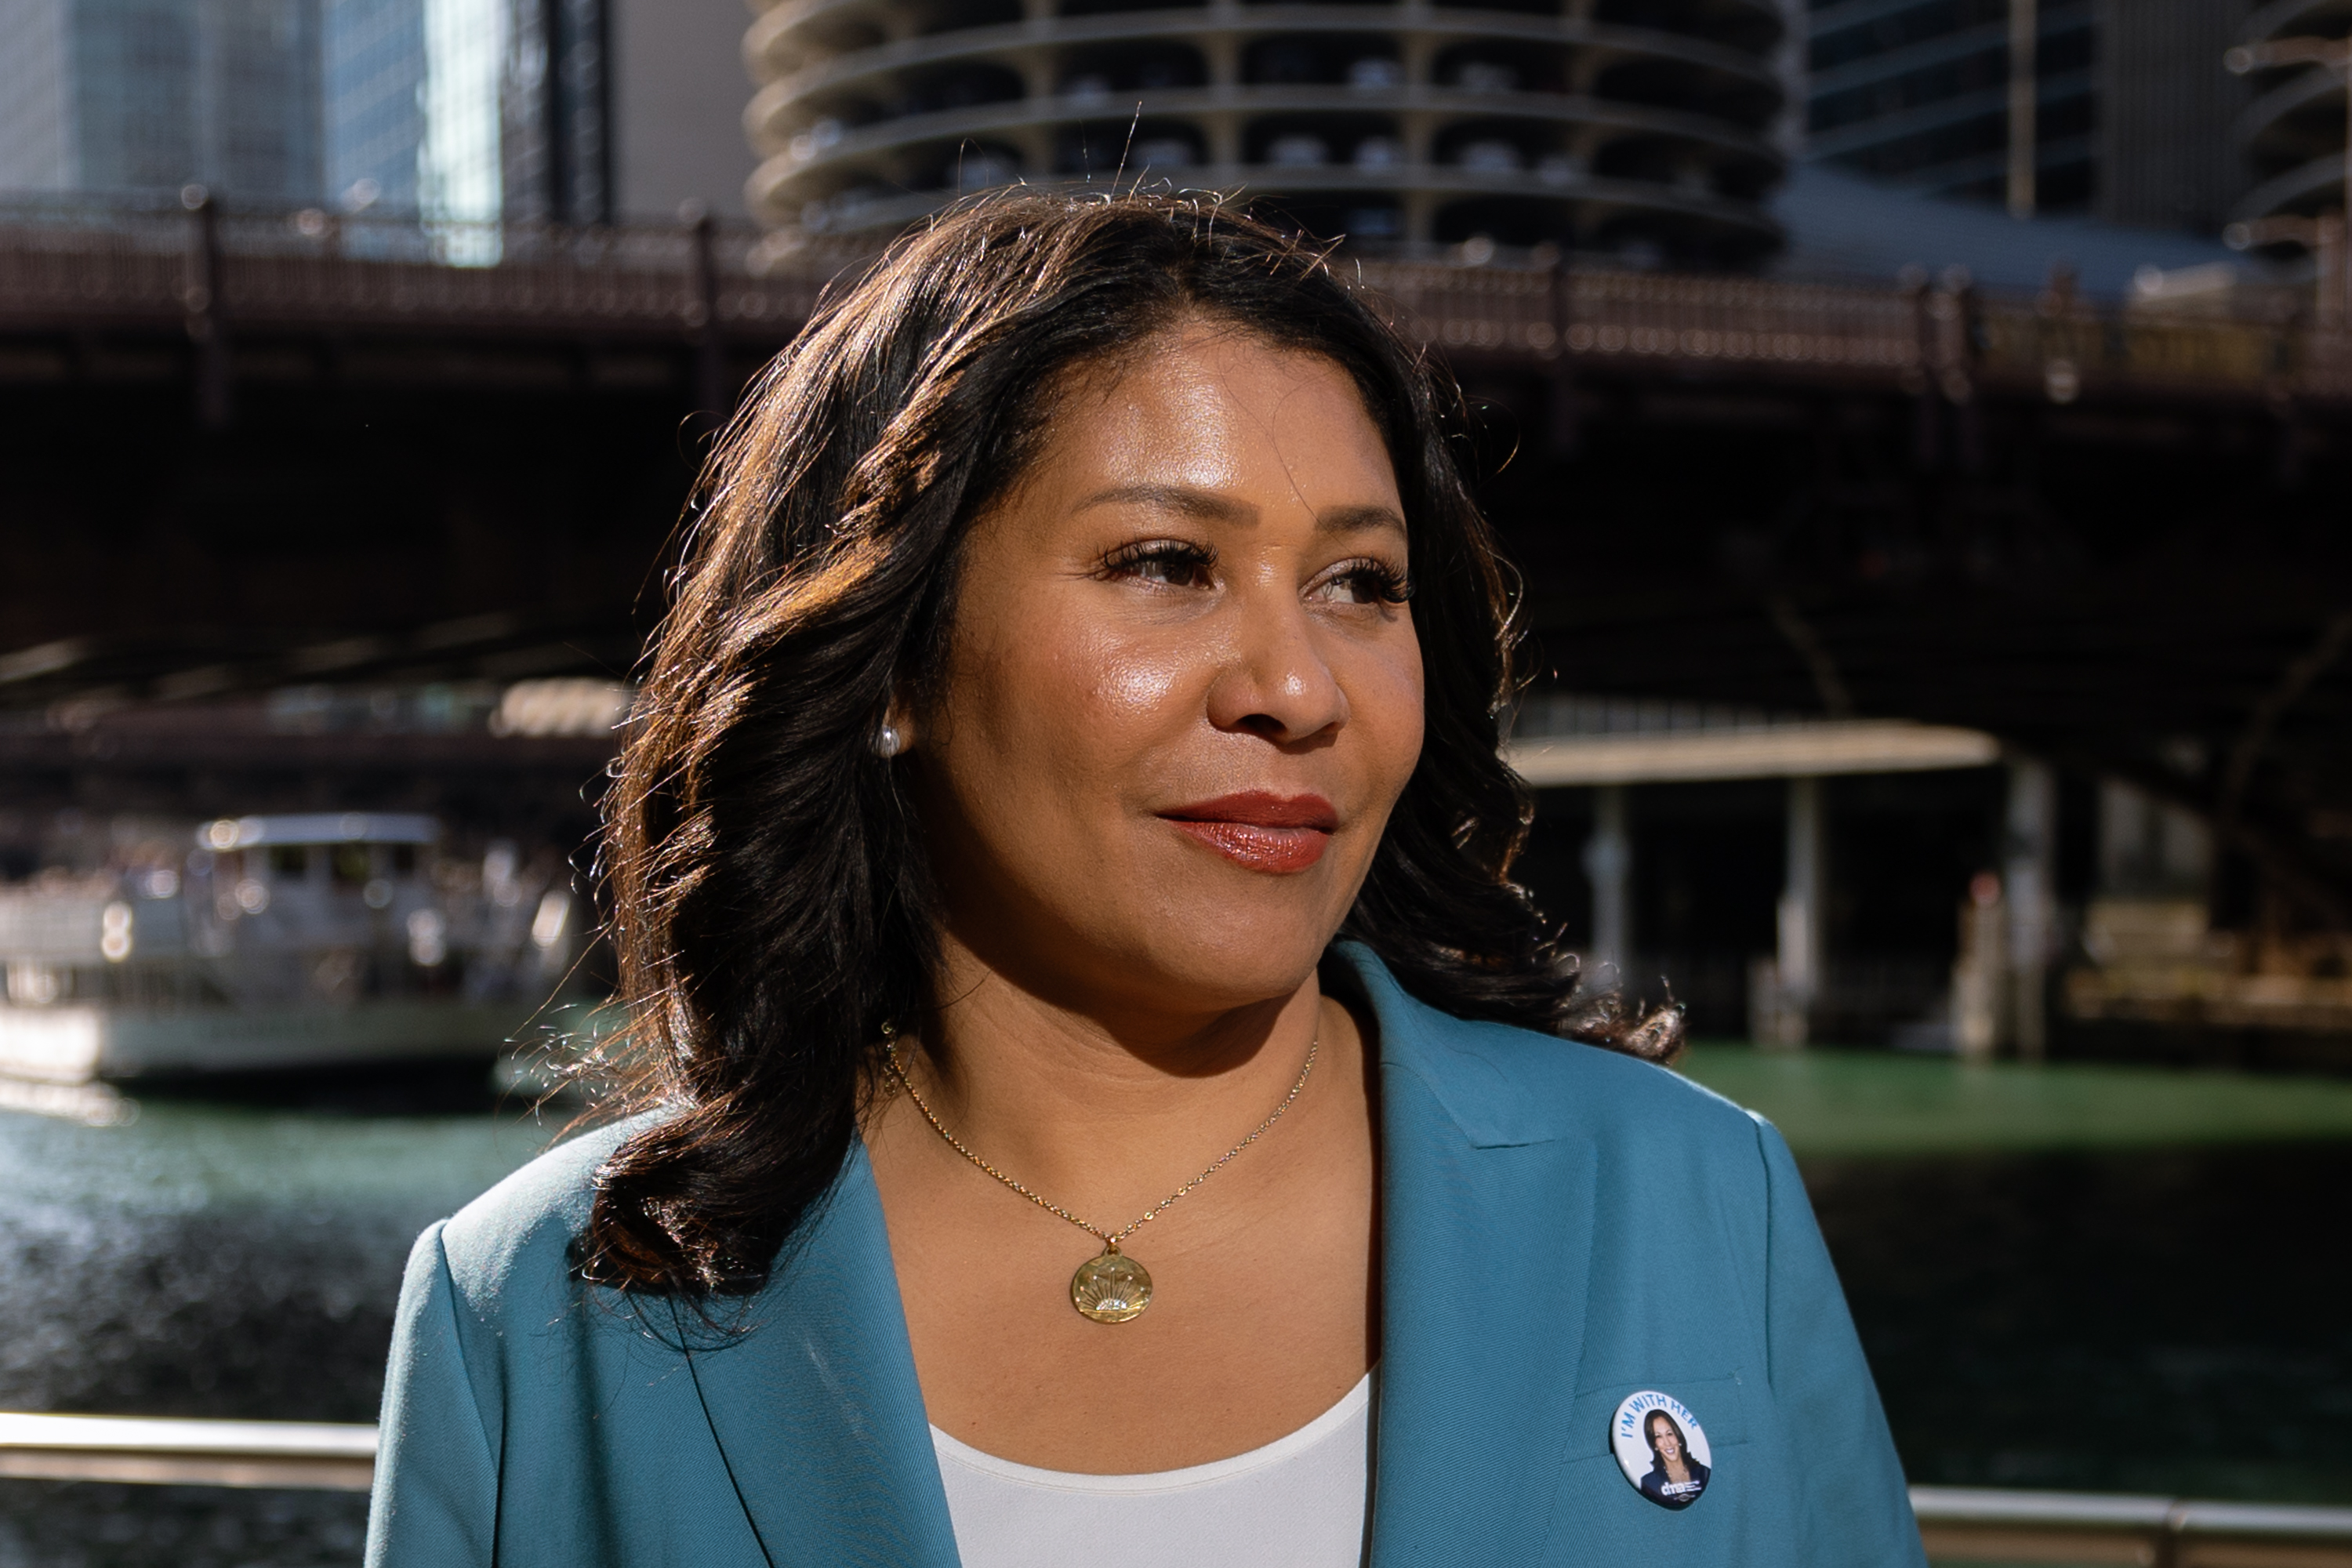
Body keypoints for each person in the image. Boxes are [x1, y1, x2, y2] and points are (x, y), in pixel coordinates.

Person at [364, 192, 1926, 1567]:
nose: (1297, 685)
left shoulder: (1699, 1201)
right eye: (1168, 564)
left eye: (1360, 584)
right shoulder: (535, 1314)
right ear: (893, 657)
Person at [1640, 1408, 1711, 1508]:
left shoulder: (1703, 1472)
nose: (1667, 1443)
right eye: (1658, 1436)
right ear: (1654, 1444)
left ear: (1678, 1437)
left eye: (1670, 1434)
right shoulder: (1649, 1482)